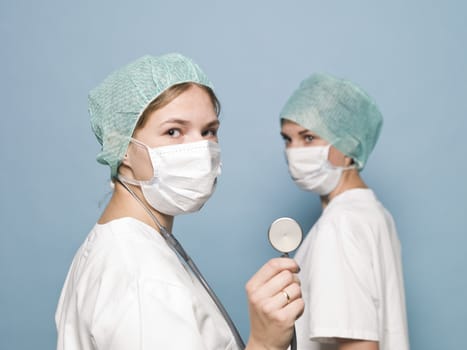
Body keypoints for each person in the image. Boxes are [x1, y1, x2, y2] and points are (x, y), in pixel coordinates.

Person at [55, 53, 304, 350]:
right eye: (173, 131)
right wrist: (264, 344)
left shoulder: (122, 246)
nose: (200, 148)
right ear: (121, 145)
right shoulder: (141, 278)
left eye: (209, 131)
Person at [279, 73, 409, 350]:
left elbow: (358, 344)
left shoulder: (340, 224)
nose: (294, 151)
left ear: (349, 146)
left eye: (309, 137)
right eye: (287, 139)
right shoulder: (373, 214)